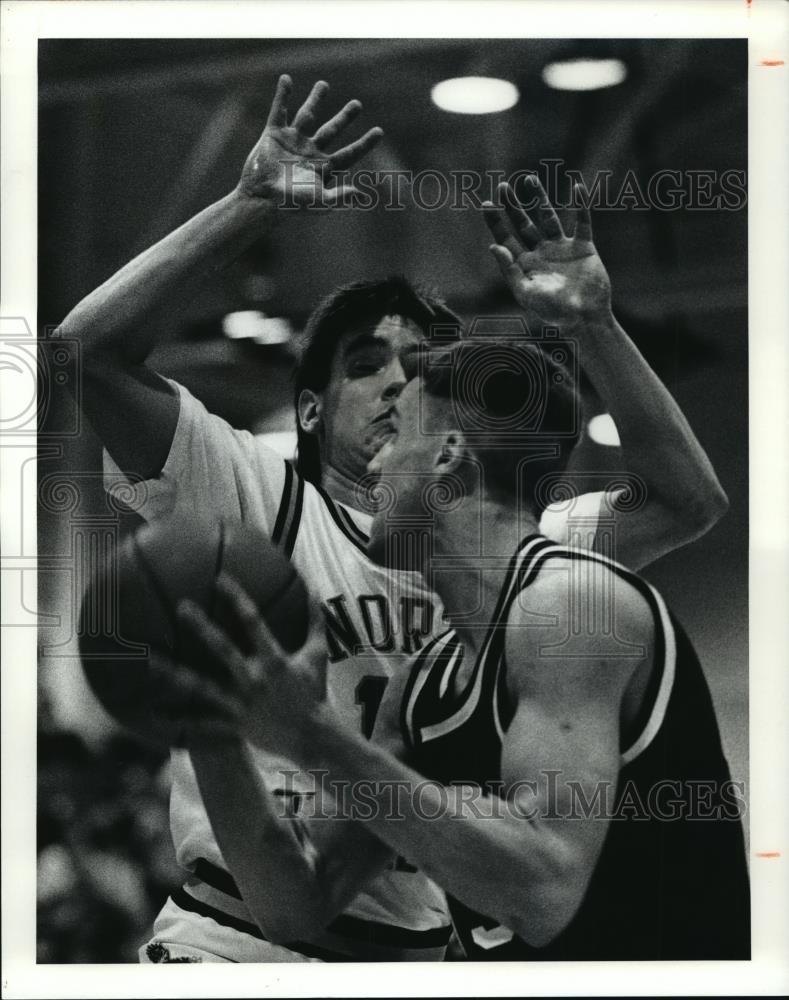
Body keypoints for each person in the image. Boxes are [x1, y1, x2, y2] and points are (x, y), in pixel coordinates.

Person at [60, 72, 729, 962]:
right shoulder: (264, 501)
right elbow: (87, 355)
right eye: (369, 365)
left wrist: (593, 324)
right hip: (241, 928)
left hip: (442, 936)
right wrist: (215, 721)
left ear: (451, 450)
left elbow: (687, 498)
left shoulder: (550, 587)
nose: (389, 398)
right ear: (307, 409)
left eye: (415, 375)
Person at [178, 332, 749, 960]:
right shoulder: (420, 689)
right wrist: (213, 723)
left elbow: (544, 887)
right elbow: (295, 903)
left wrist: (313, 736)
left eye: (395, 437)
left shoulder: (571, 608)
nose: (372, 467)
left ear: (449, 452)